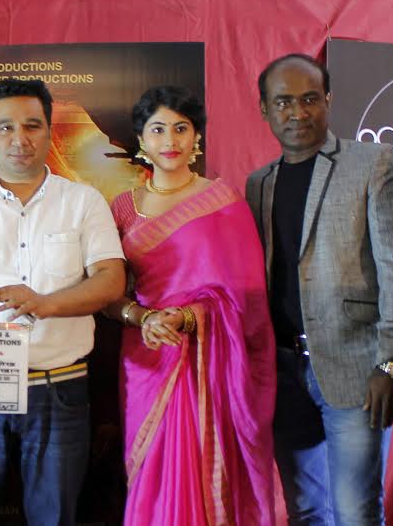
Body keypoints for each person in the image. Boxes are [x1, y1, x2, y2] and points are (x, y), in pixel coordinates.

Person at [0, 78, 126, 525]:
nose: (20, 138)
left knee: (55, 516)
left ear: (50, 131)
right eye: (7, 127)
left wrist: (43, 303)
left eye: (33, 125)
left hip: (60, 386)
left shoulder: (84, 201)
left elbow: (111, 281)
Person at [244, 53, 393, 526]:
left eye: (309, 99)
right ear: (264, 109)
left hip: (358, 368)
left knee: (356, 512)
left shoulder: (372, 163)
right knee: (304, 511)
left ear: (328, 100)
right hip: (283, 372)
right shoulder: (259, 184)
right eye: (283, 102)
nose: (297, 113)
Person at [103, 86, 275, 525]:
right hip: (147, 356)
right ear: (141, 139)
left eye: (181, 128)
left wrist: (189, 316)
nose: (170, 140)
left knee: (205, 464)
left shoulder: (223, 201)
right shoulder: (123, 208)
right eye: (157, 129)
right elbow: (107, 294)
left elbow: (247, 295)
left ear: (196, 136)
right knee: (153, 472)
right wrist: (142, 317)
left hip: (212, 359)